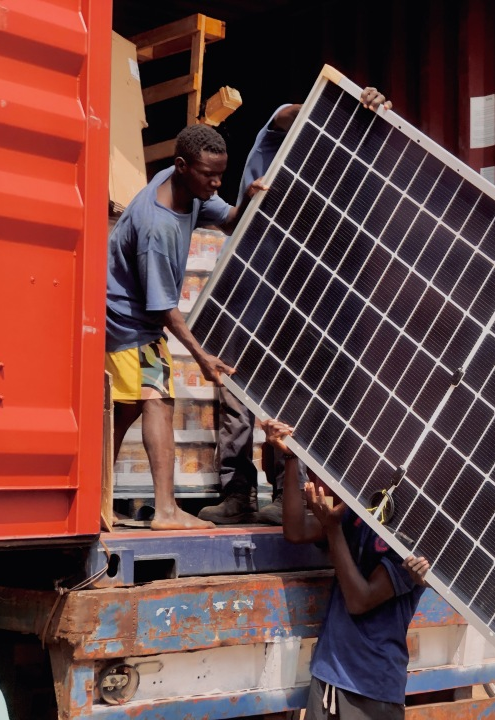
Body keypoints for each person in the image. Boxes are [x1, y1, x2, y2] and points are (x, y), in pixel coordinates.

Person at [200, 87, 392, 526]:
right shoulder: (273, 144)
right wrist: (340, 103)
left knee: (283, 402)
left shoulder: (317, 185)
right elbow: (287, 114)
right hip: (244, 299)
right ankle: (236, 495)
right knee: (235, 401)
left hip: (286, 307)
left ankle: (282, 494)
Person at [106, 123, 266, 530]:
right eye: (208, 175)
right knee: (157, 403)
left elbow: (229, 221)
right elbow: (163, 308)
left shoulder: (187, 189)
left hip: (134, 322)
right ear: (181, 166)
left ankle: (100, 501)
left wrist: (247, 200)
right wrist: (203, 357)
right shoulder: (156, 228)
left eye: (221, 175)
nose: (216, 183)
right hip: (129, 323)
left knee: (126, 412)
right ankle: (164, 510)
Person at [263, 418, 429, 720]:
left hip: (371, 689)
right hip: (329, 678)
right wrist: (291, 459)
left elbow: (360, 600)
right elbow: (296, 530)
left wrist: (332, 529)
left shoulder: (415, 544)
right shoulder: (361, 513)